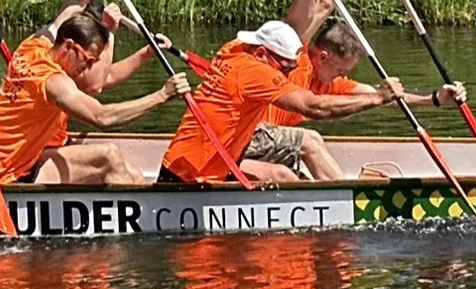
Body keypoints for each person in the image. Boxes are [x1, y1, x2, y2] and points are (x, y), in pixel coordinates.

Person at [0, 0, 191, 186]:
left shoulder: (36, 43)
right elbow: (102, 117)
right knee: (109, 155)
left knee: (135, 173)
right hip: (9, 173)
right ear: (70, 47)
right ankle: (148, 217)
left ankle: (145, 200)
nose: (86, 68)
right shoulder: (54, 82)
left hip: (24, 155)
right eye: (87, 61)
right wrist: (162, 95)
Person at [240, 0, 459, 179]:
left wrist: (435, 98)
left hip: (264, 144)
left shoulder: (331, 83)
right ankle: (351, 199)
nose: (342, 77)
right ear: (323, 57)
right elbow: (326, 2)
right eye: (339, 70)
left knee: (302, 171)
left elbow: (385, 97)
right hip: (246, 134)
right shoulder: (293, 56)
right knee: (311, 140)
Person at [159, 17, 410, 184]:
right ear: (261, 53)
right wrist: (378, 97)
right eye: (286, 68)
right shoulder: (255, 73)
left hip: (196, 163)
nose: (288, 75)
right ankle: (347, 201)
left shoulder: (234, 49)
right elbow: (313, 107)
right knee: (303, 148)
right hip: (190, 177)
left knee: (285, 176)